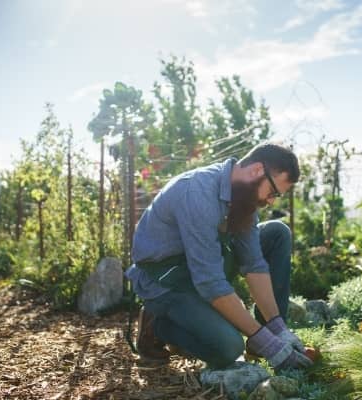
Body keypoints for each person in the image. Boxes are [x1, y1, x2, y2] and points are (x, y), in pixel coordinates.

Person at [125, 142, 312, 371]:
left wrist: (277, 328)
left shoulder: (244, 196)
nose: (271, 201)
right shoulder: (197, 193)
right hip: (166, 279)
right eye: (273, 192)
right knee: (228, 348)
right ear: (256, 171)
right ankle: (158, 326)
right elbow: (210, 282)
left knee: (276, 233)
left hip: (203, 263)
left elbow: (253, 263)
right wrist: (267, 345)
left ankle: (266, 338)